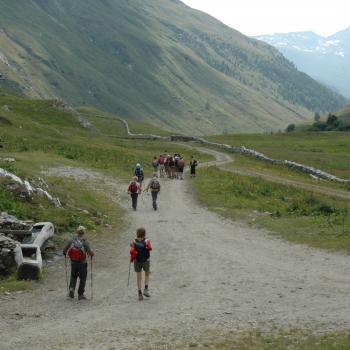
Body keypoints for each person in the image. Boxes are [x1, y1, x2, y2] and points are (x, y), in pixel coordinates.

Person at [63, 226, 94, 300]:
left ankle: (71, 289)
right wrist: (92, 255)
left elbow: (64, 250)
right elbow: (90, 252)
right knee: (82, 278)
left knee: (73, 277)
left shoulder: (71, 240)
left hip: (73, 263)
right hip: (82, 263)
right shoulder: (85, 241)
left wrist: (65, 254)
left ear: (77, 232)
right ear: (84, 232)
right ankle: (80, 294)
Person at [130, 227, 153, 301]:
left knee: (138, 277)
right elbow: (150, 248)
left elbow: (132, 249)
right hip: (146, 261)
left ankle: (139, 293)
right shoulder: (147, 240)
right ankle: (145, 289)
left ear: (137, 234)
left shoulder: (134, 241)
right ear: (144, 234)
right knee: (147, 274)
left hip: (137, 261)